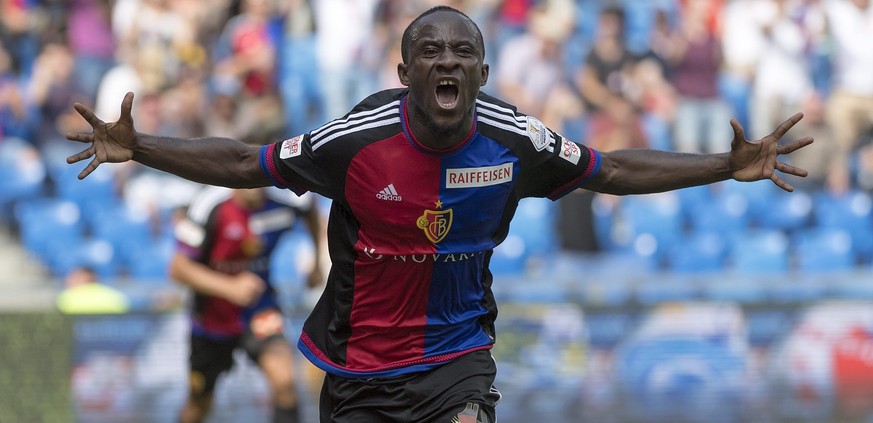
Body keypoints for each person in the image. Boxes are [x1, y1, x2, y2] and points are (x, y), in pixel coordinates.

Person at [66, 6, 814, 422]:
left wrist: (726, 164)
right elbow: (244, 162)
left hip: (456, 357)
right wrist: (141, 148)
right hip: (358, 368)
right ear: (404, 73)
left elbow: (609, 168)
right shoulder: (355, 141)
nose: (447, 61)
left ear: (483, 73)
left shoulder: (518, 140)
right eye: (430, 51)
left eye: (462, 52)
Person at [169, 185, 324, 423]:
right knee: (198, 404)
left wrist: (315, 263)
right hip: (212, 320)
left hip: (260, 311)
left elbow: (311, 210)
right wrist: (229, 287)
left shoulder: (290, 198)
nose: (253, 181)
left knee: (284, 382)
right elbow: (178, 269)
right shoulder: (208, 204)